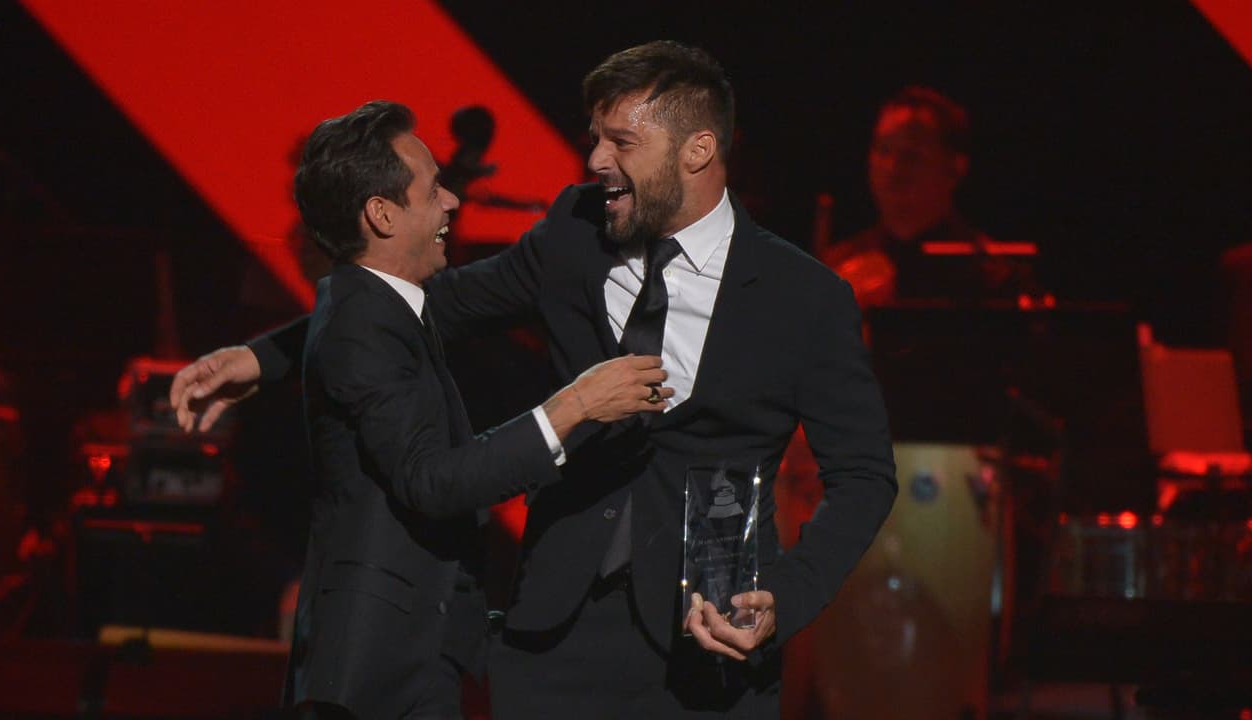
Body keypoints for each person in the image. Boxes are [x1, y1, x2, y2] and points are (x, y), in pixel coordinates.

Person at [171, 42, 896, 718]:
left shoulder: (807, 298)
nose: (595, 160)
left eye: (621, 142)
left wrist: (785, 599)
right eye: (594, 136)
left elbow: (863, 476)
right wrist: (267, 356)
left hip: (709, 645)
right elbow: (428, 309)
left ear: (698, 149)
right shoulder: (574, 233)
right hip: (555, 639)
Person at [253, 99, 671, 719]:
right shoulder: (361, 322)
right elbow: (433, 480)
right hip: (376, 674)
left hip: (411, 654)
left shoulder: (383, 308)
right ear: (382, 213)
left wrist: (259, 357)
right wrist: (574, 405)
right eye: (433, 189)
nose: (452, 202)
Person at [822, 86, 1037, 306]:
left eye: (912, 154)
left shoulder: (993, 276)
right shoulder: (837, 269)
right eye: (884, 150)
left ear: (955, 167)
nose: (894, 167)